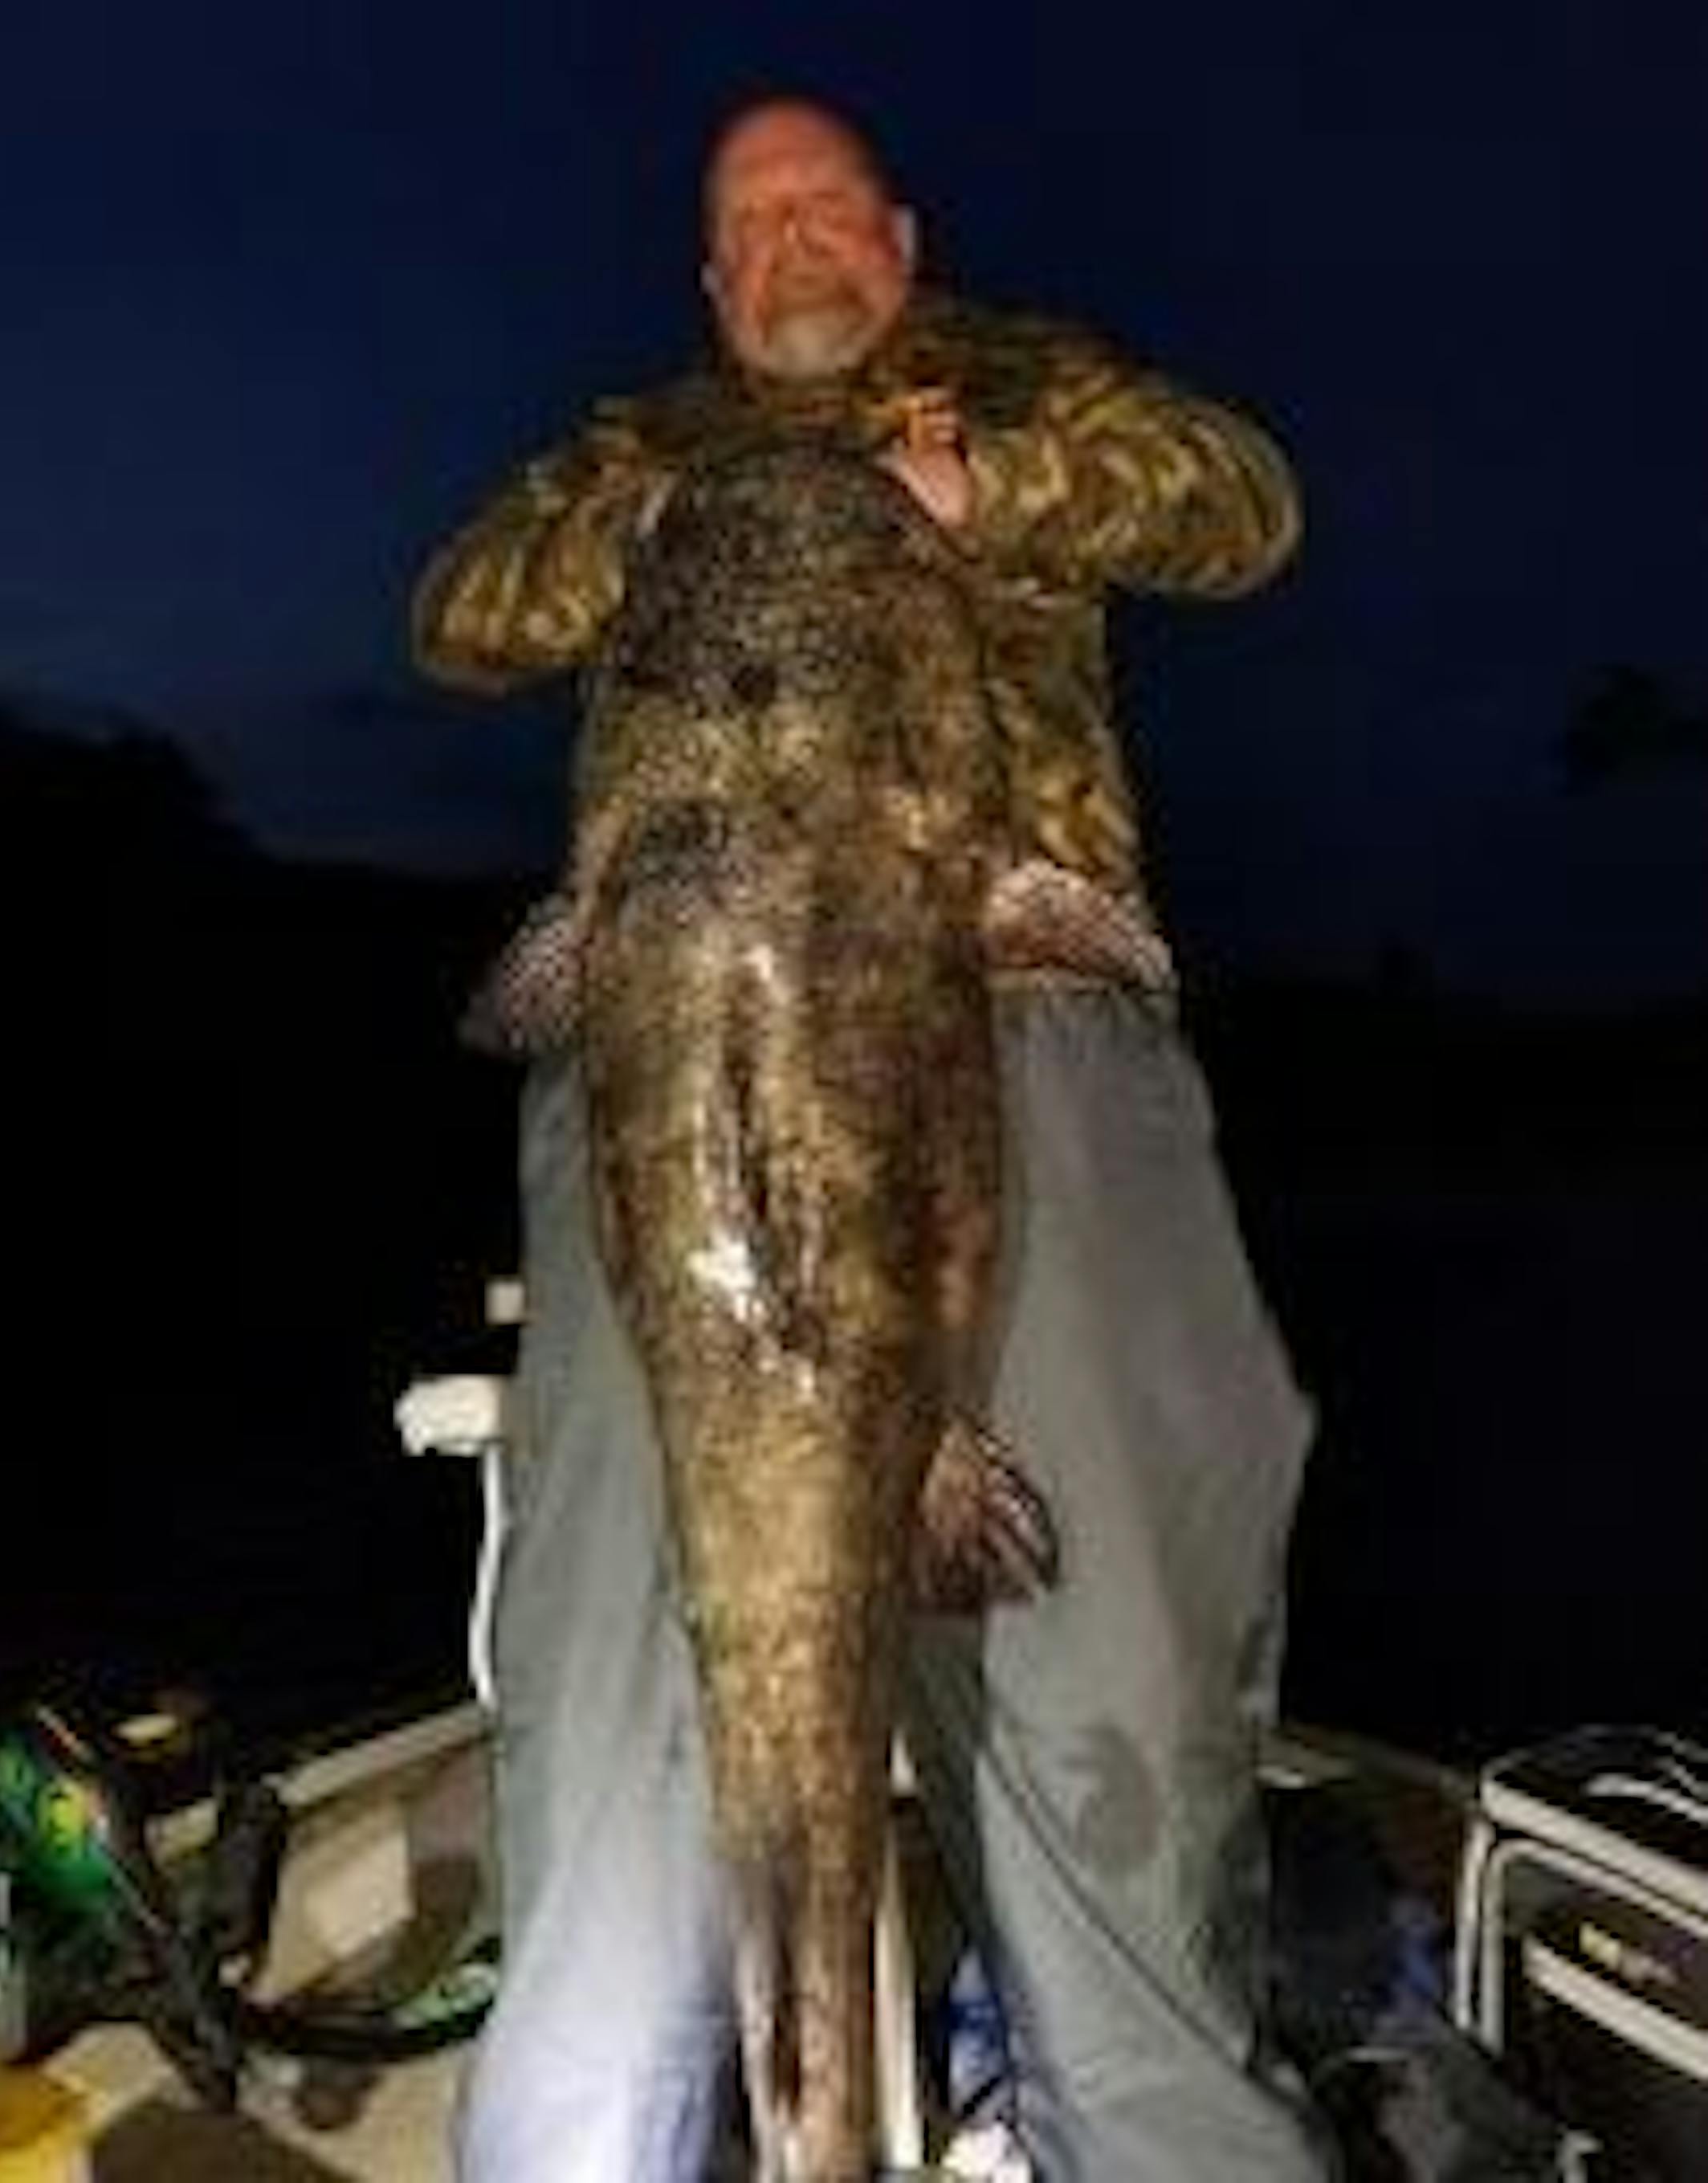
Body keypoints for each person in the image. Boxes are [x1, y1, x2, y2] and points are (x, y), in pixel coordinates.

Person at [414, 96, 1326, 2183]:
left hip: (1016, 1017)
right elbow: (460, 608)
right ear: (714, 282)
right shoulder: (642, 445)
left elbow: (1242, 498)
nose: (795, 239)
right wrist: (630, 538)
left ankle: (1155, 2118)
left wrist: (986, 483)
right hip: (675, 1045)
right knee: (614, 1653)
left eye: (826, 201)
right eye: (751, 221)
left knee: (1115, 1676)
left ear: (900, 238)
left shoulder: (1023, 379)